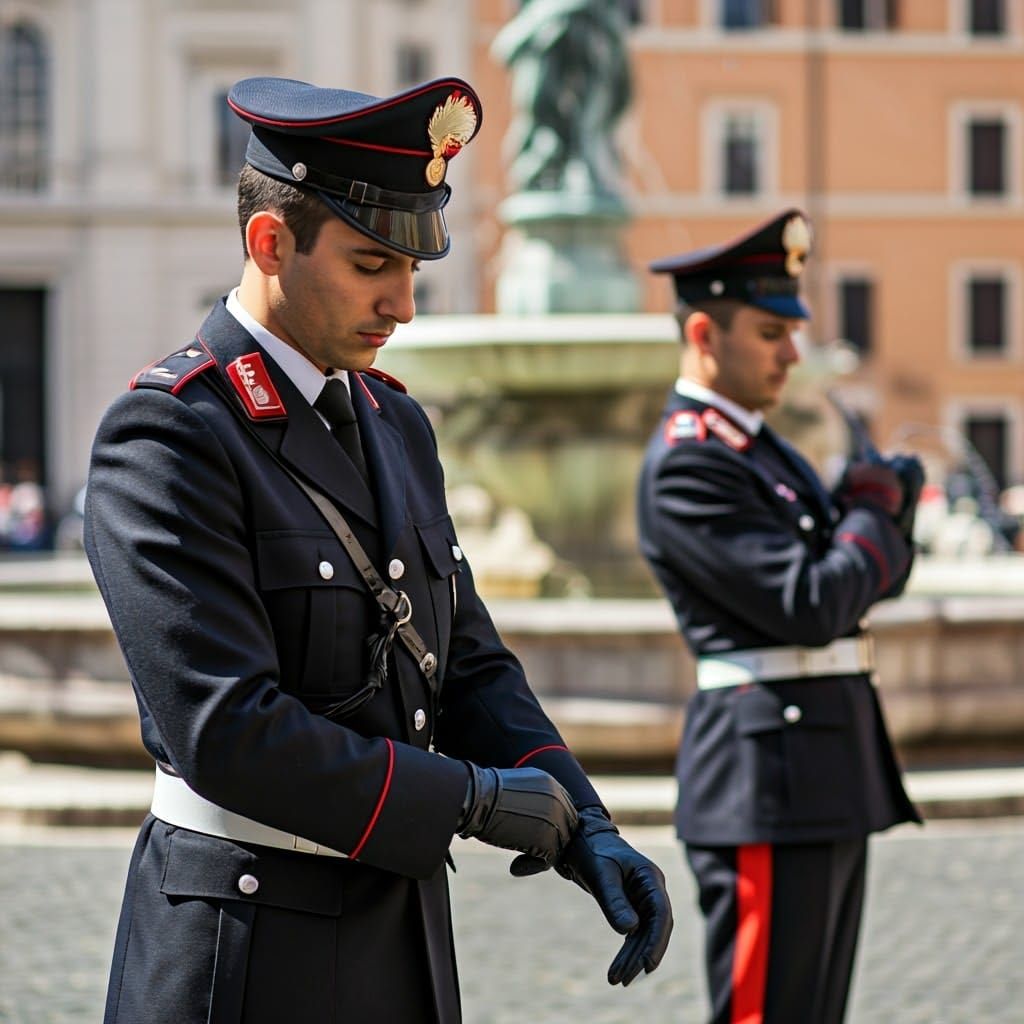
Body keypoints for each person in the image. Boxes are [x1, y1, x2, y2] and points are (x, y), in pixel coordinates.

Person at [85, 75, 671, 1024]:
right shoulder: (170, 436)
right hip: (244, 946)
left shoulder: (394, 421)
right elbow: (226, 729)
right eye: (369, 265)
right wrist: (474, 801)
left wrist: (585, 824)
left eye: (413, 270)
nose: (402, 302)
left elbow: (467, 662)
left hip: (399, 933)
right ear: (269, 243)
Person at [636, 209, 922, 1024]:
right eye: (771, 332)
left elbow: (867, 584)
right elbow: (813, 603)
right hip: (768, 777)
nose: (793, 352)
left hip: (821, 765)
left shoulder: (759, 448)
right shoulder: (690, 462)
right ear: (704, 332)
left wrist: (882, 518)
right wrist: (872, 513)